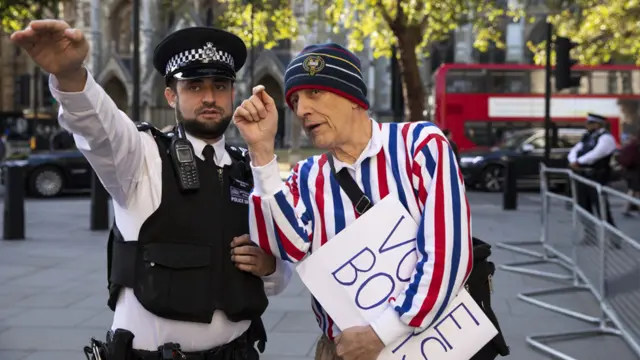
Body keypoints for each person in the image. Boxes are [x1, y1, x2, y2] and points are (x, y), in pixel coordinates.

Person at [11, 20, 292, 359]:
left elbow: (280, 275)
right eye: (194, 86)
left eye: (219, 86)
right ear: (170, 94)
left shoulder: (249, 166)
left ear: (233, 92)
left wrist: (269, 267)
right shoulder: (141, 156)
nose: (208, 97)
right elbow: (100, 129)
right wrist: (72, 77)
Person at [233, 43, 472, 360]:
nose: (301, 109)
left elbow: (448, 255)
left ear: (352, 97)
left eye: (314, 92)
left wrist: (381, 333)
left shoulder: (420, 146)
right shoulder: (306, 177)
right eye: (293, 100)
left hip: (427, 343)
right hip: (343, 351)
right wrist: (262, 153)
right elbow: (284, 248)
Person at [568, 113, 619, 244]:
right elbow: (575, 149)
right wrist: (574, 160)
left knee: (601, 208)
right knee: (584, 207)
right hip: (583, 175)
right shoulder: (587, 137)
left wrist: (579, 162)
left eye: (589, 123)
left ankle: (614, 238)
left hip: (597, 176)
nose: (586, 125)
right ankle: (590, 236)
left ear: (597, 124)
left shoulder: (606, 138)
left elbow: (597, 153)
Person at [616, 130, 640, 216]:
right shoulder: (635, 147)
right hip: (635, 172)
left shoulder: (630, 146)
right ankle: (626, 208)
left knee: (634, 190)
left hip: (630, 172)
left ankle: (630, 207)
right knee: (633, 190)